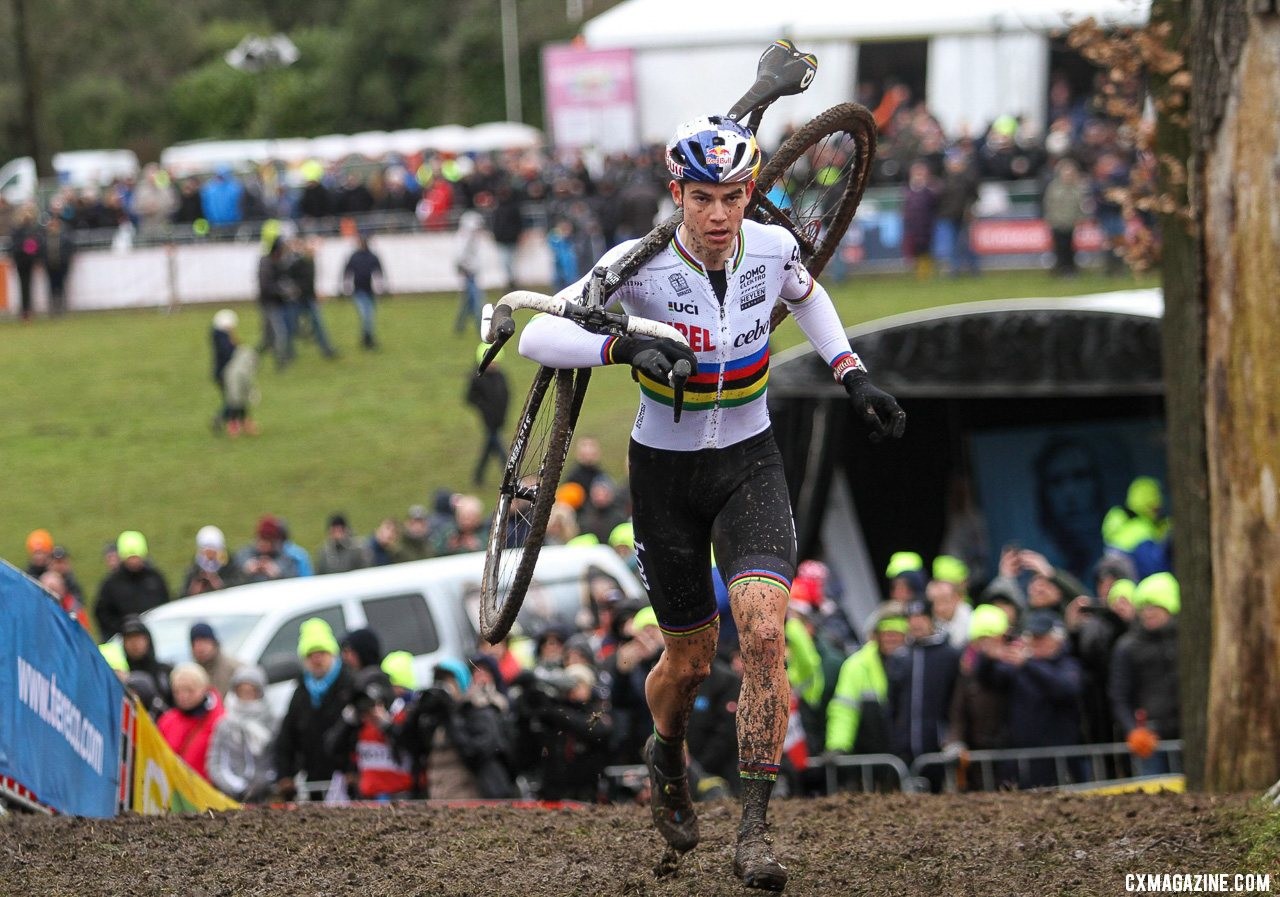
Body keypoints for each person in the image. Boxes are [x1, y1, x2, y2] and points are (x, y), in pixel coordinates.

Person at [517, 115, 906, 890]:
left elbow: (809, 295)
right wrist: (620, 344)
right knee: (690, 663)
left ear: (750, 192)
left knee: (764, 634)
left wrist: (851, 371)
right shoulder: (638, 263)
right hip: (663, 476)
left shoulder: (772, 245)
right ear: (678, 195)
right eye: (703, 197)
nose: (720, 214)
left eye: (732, 196)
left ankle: (756, 830)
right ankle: (667, 748)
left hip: (749, 464)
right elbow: (537, 336)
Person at [275, 618, 356, 802]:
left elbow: (356, 734)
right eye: (311, 654)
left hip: (344, 780)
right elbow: (287, 735)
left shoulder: (349, 685)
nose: (316, 659)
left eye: (321, 653)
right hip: (313, 778)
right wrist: (284, 774)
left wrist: (353, 770)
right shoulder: (301, 690)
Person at [207, 665, 277, 803]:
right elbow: (216, 763)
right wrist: (238, 787)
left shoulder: (273, 722)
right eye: (242, 691)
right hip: (232, 797)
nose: (246, 696)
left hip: (267, 795)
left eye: (251, 691)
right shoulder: (225, 724)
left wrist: (265, 783)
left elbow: (277, 758)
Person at [94, 531, 170, 641]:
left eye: (136, 557)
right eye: (130, 558)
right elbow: (102, 613)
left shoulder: (155, 578)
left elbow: (166, 604)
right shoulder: (111, 584)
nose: (134, 561)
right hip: (124, 640)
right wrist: (122, 629)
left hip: (156, 637)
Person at [157, 662, 225, 782]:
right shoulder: (167, 721)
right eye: (177, 691)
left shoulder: (220, 721)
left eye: (190, 690)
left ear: (204, 688)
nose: (183, 696)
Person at [466, 344, 510, 486]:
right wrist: (484, 408)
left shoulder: (500, 376)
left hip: (499, 418)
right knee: (498, 446)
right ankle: (510, 473)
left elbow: (506, 394)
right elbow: (470, 397)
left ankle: (477, 476)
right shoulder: (477, 377)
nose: (494, 365)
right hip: (489, 420)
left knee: (489, 447)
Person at [341, 235, 386, 350]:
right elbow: (347, 272)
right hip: (359, 291)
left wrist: (381, 288)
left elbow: (379, 273)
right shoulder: (354, 257)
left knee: (368, 316)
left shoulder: (372, 257)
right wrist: (346, 288)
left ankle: (366, 338)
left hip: (370, 290)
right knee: (366, 315)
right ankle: (368, 340)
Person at [190, 622, 245, 698]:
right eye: (197, 643)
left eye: (205, 642)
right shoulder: (191, 672)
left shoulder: (235, 669)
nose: (201, 648)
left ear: (214, 643)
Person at [454, 210, 487, 334]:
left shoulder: (470, 238)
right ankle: (481, 328)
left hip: (471, 273)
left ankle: (459, 327)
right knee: (478, 301)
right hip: (469, 274)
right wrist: (466, 269)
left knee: (467, 302)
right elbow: (460, 257)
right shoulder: (464, 238)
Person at [181, 525, 237, 596]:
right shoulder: (195, 569)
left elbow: (239, 586)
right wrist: (191, 592)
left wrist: (221, 586)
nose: (209, 557)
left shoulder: (230, 566)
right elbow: (181, 595)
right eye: (206, 553)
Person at [41, 217, 76, 315]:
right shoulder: (45, 238)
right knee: (51, 287)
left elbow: (70, 250)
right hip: (49, 265)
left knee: (61, 286)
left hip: (62, 265)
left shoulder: (64, 238)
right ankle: (53, 308)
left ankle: (61, 308)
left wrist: (66, 260)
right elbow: (42, 252)